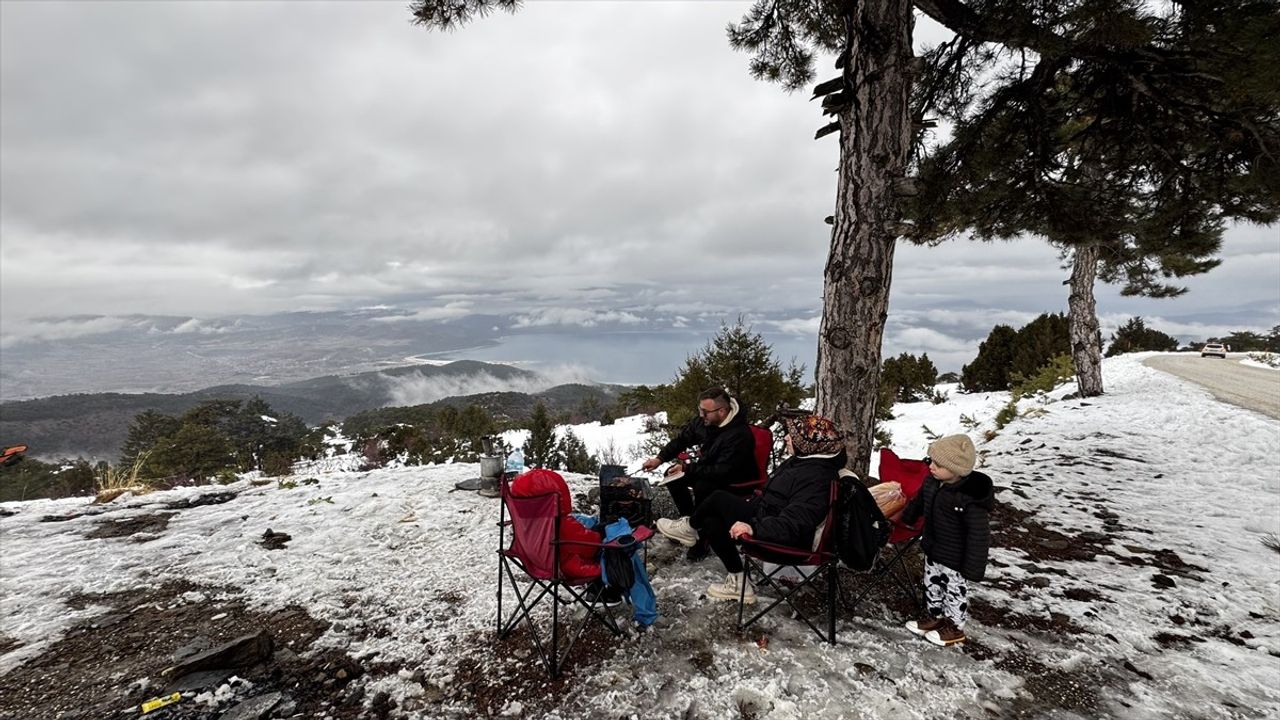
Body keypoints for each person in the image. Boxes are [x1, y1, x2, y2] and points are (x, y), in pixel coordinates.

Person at [690, 414, 845, 604]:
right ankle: (738, 580)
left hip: (786, 541)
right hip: (769, 518)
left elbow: (797, 523)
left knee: (716, 499)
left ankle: (690, 528)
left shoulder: (817, 478)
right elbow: (772, 498)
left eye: (793, 436)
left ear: (810, 443)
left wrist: (755, 528)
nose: (787, 438)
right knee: (711, 518)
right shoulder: (803, 462)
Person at [900, 433, 993, 647]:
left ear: (956, 470)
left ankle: (954, 627)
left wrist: (974, 568)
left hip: (956, 557)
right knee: (931, 584)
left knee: (953, 591)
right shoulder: (932, 483)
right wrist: (908, 517)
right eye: (931, 460)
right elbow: (919, 502)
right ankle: (935, 617)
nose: (931, 466)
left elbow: (979, 537)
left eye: (938, 464)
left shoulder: (969, 499)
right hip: (934, 548)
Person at [646, 388, 759, 559]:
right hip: (710, 469)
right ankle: (688, 525)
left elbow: (722, 471)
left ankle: (702, 537)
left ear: (721, 411)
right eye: (700, 410)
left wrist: (688, 468)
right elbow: (682, 440)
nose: (701, 415)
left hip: (735, 477)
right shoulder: (705, 421)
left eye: (705, 412)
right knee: (672, 477)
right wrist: (659, 459)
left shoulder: (739, 434)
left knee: (703, 486)